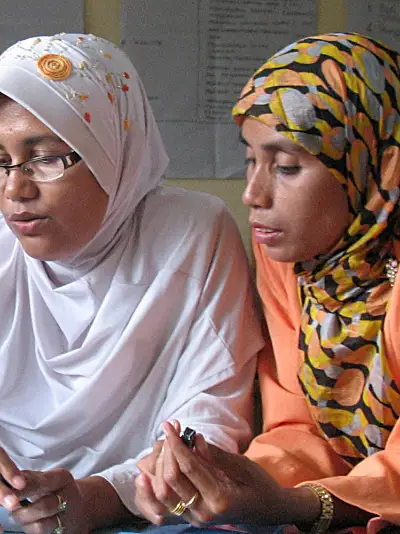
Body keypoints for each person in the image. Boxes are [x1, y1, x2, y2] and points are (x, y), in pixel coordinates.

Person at [0, 33, 265, 534]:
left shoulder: (189, 232)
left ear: (113, 153)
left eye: (46, 157)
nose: (15, 188)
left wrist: (97, 496)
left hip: (141, 506)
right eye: (0, 161)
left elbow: (208, 417)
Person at [137, 33, 400, 533]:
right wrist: (230, 477)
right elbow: (296, 423)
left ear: (376, 165)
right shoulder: (293, 262)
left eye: (286, 166)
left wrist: (296, 506)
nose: (253, 194)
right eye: (250, 160)